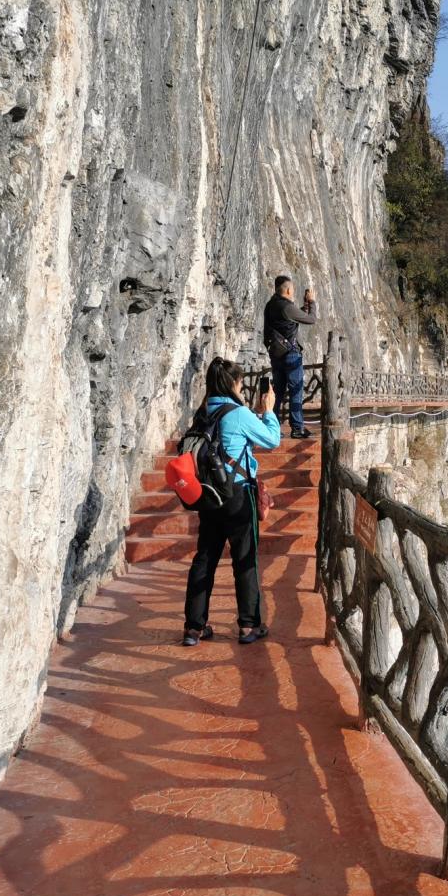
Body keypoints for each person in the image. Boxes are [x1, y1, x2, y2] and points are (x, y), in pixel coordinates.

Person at [183, 357, 281, 646]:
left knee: (205, 558)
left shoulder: (204, 412)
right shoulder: (238, 414)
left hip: (209, 496)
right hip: (238, 495)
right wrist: (270, 411)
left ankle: (194, 627)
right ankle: (248, 625)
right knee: (244, 558)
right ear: (233, 384)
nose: (242, 388)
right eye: (240, 383)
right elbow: (272, 439)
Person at [263, 273, 317, 439]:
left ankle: (273, 427)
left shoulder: (270, 305)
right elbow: (311, 319)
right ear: (286, 290)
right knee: (296, 390)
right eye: (292, 289)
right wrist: (312, 302)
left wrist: (304, 305)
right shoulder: (286, 306)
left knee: (278, 391)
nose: (293, 292)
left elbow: (290, 319)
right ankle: (297, 428)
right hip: (290, 354)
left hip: (276, 354)